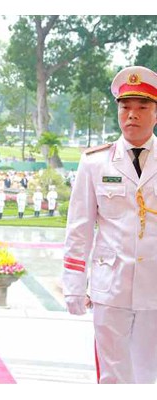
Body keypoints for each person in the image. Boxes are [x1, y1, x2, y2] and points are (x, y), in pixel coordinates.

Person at [63, 65, 157, 384]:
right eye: (125, 107)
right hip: (111, 286)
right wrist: (75, 285)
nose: (132, 115)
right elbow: (79, 227)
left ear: (155, 113)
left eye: (142, 107)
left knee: (149, 375)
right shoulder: (95, 162)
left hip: (154, 286)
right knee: (113, 377)